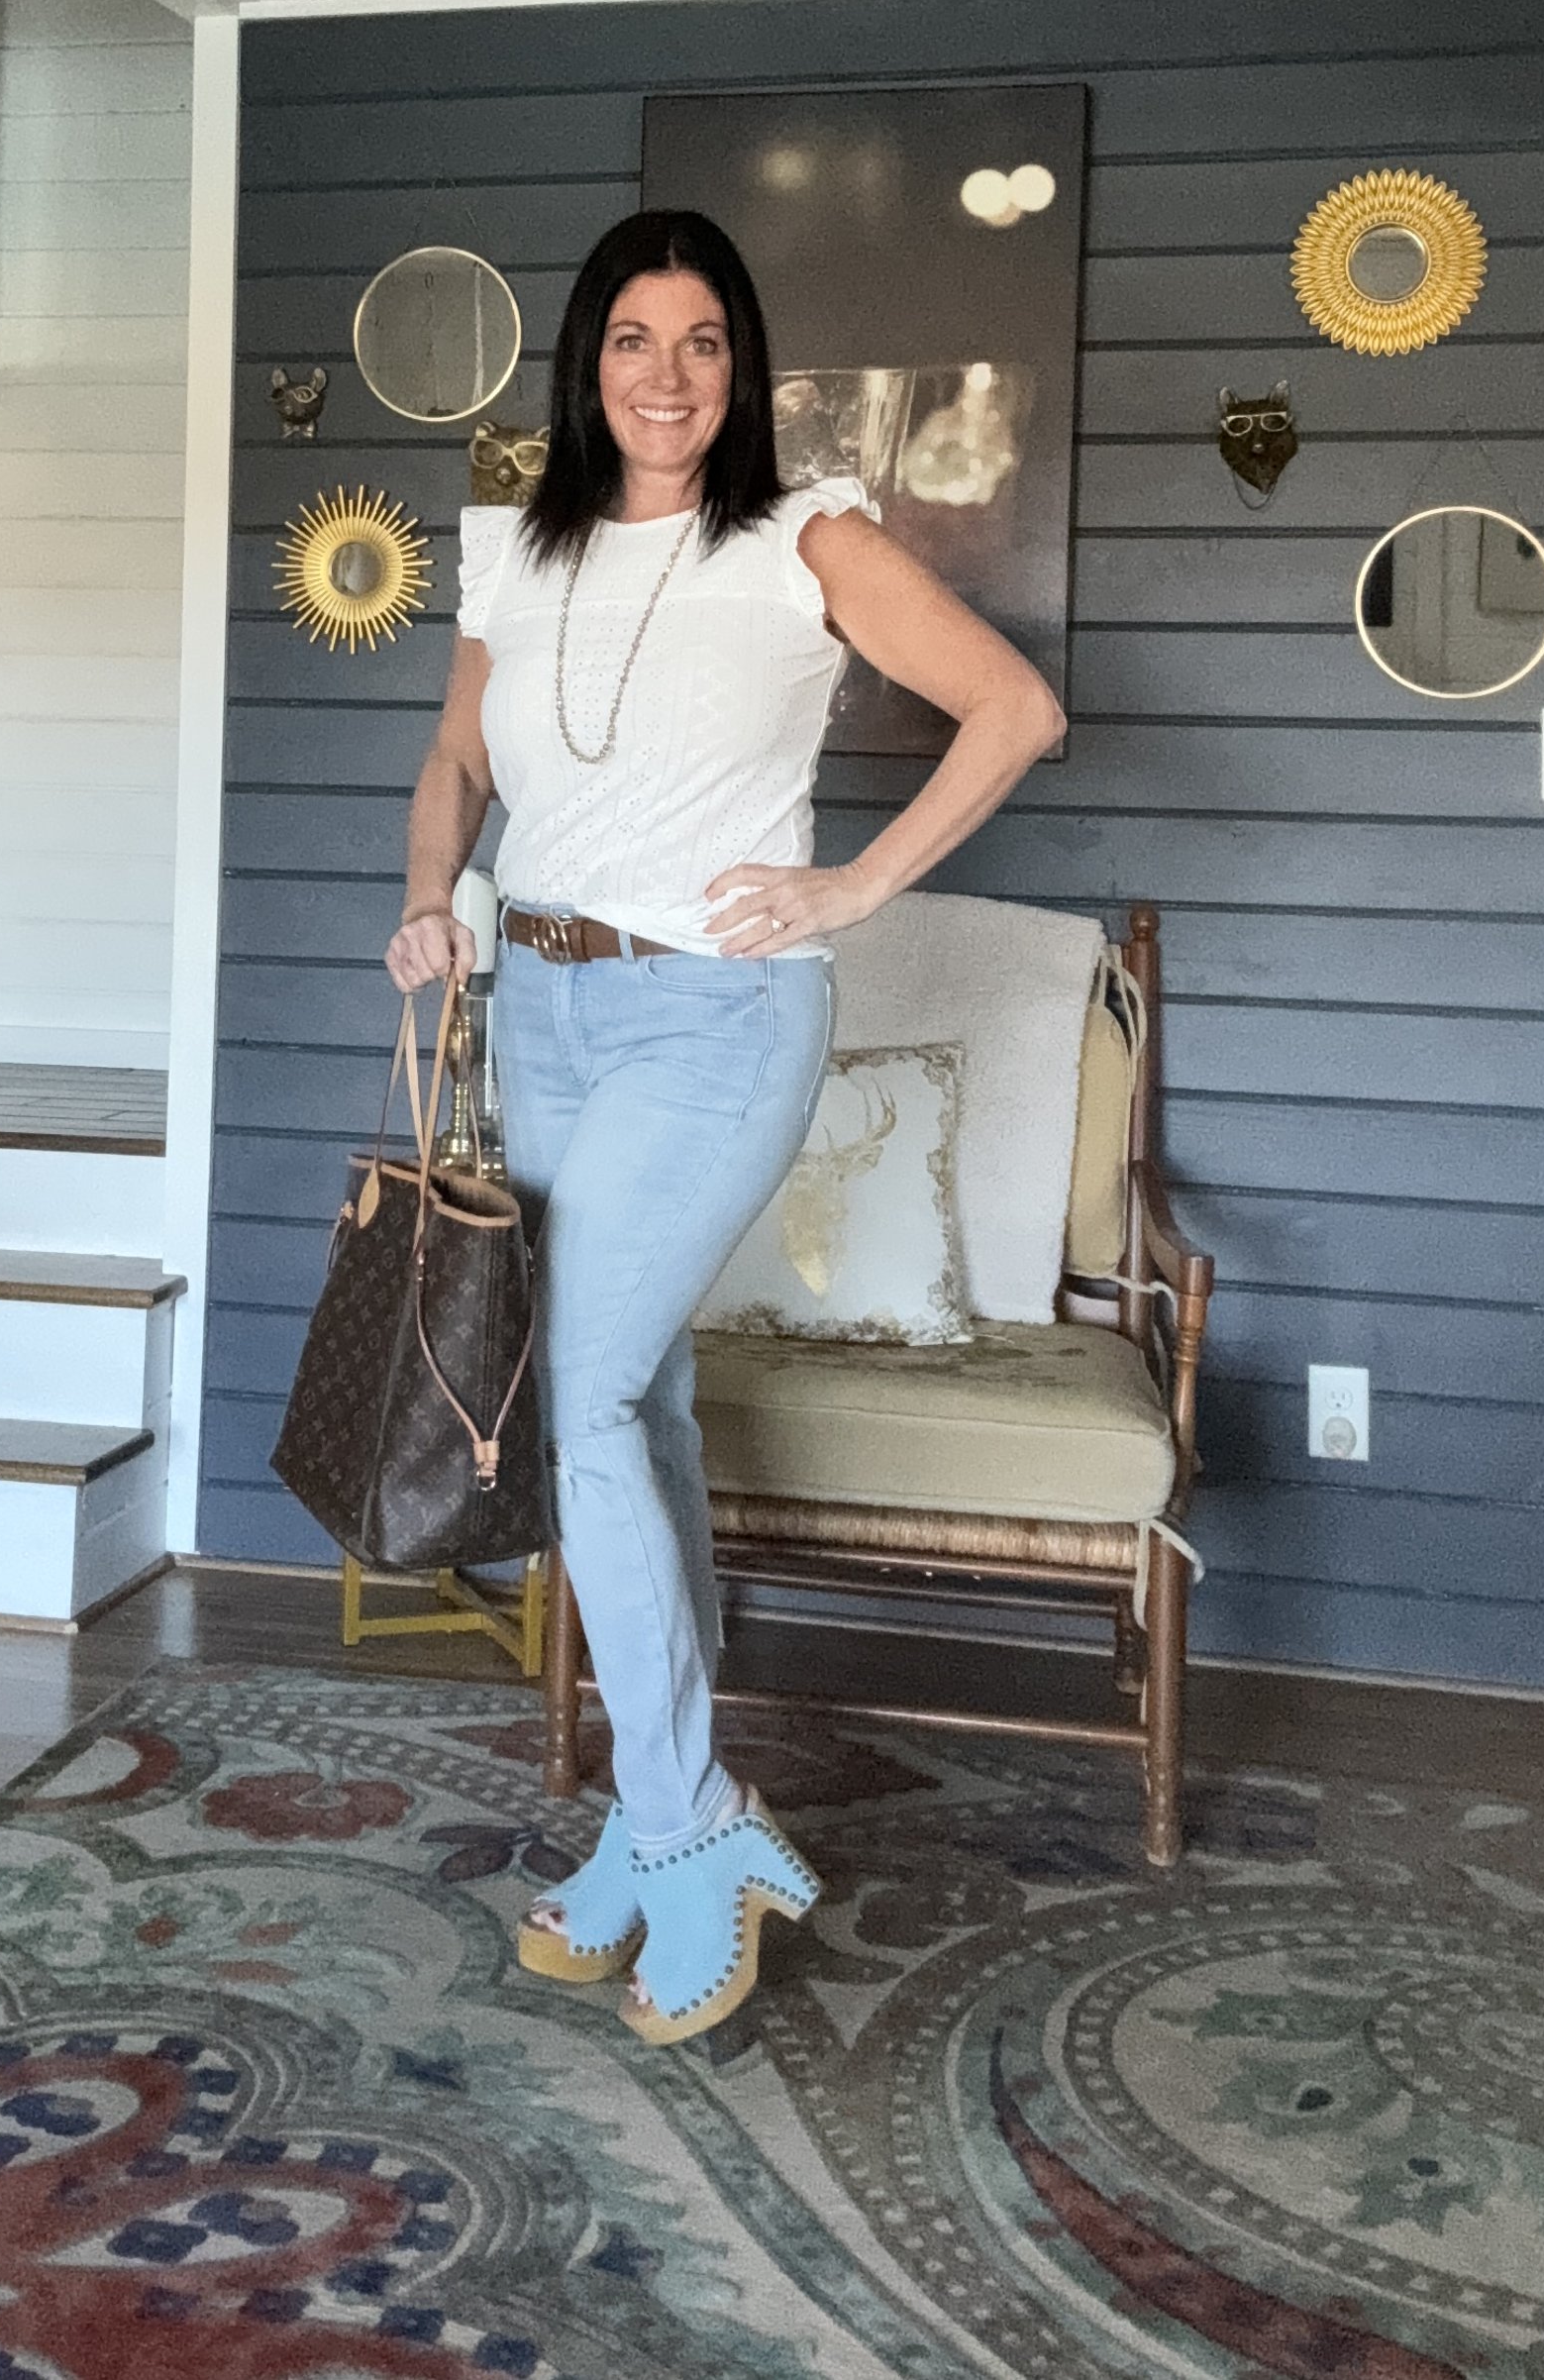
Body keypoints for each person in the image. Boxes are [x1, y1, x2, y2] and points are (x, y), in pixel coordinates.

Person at [384, 207, 1063, 2044]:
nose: (667, 375)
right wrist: (435, 896)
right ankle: (666, 1810)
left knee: (580, 1396)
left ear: (740, 367)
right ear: (584, 362)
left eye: (700, 342)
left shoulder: (801, 536)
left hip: (713, 1015)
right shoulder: (511, 556)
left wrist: (854, 887)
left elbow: (1015, 707)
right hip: (540, 1010)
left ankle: (687, 1827)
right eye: (630, 340)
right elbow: (456, 760)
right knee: (644, 1399)